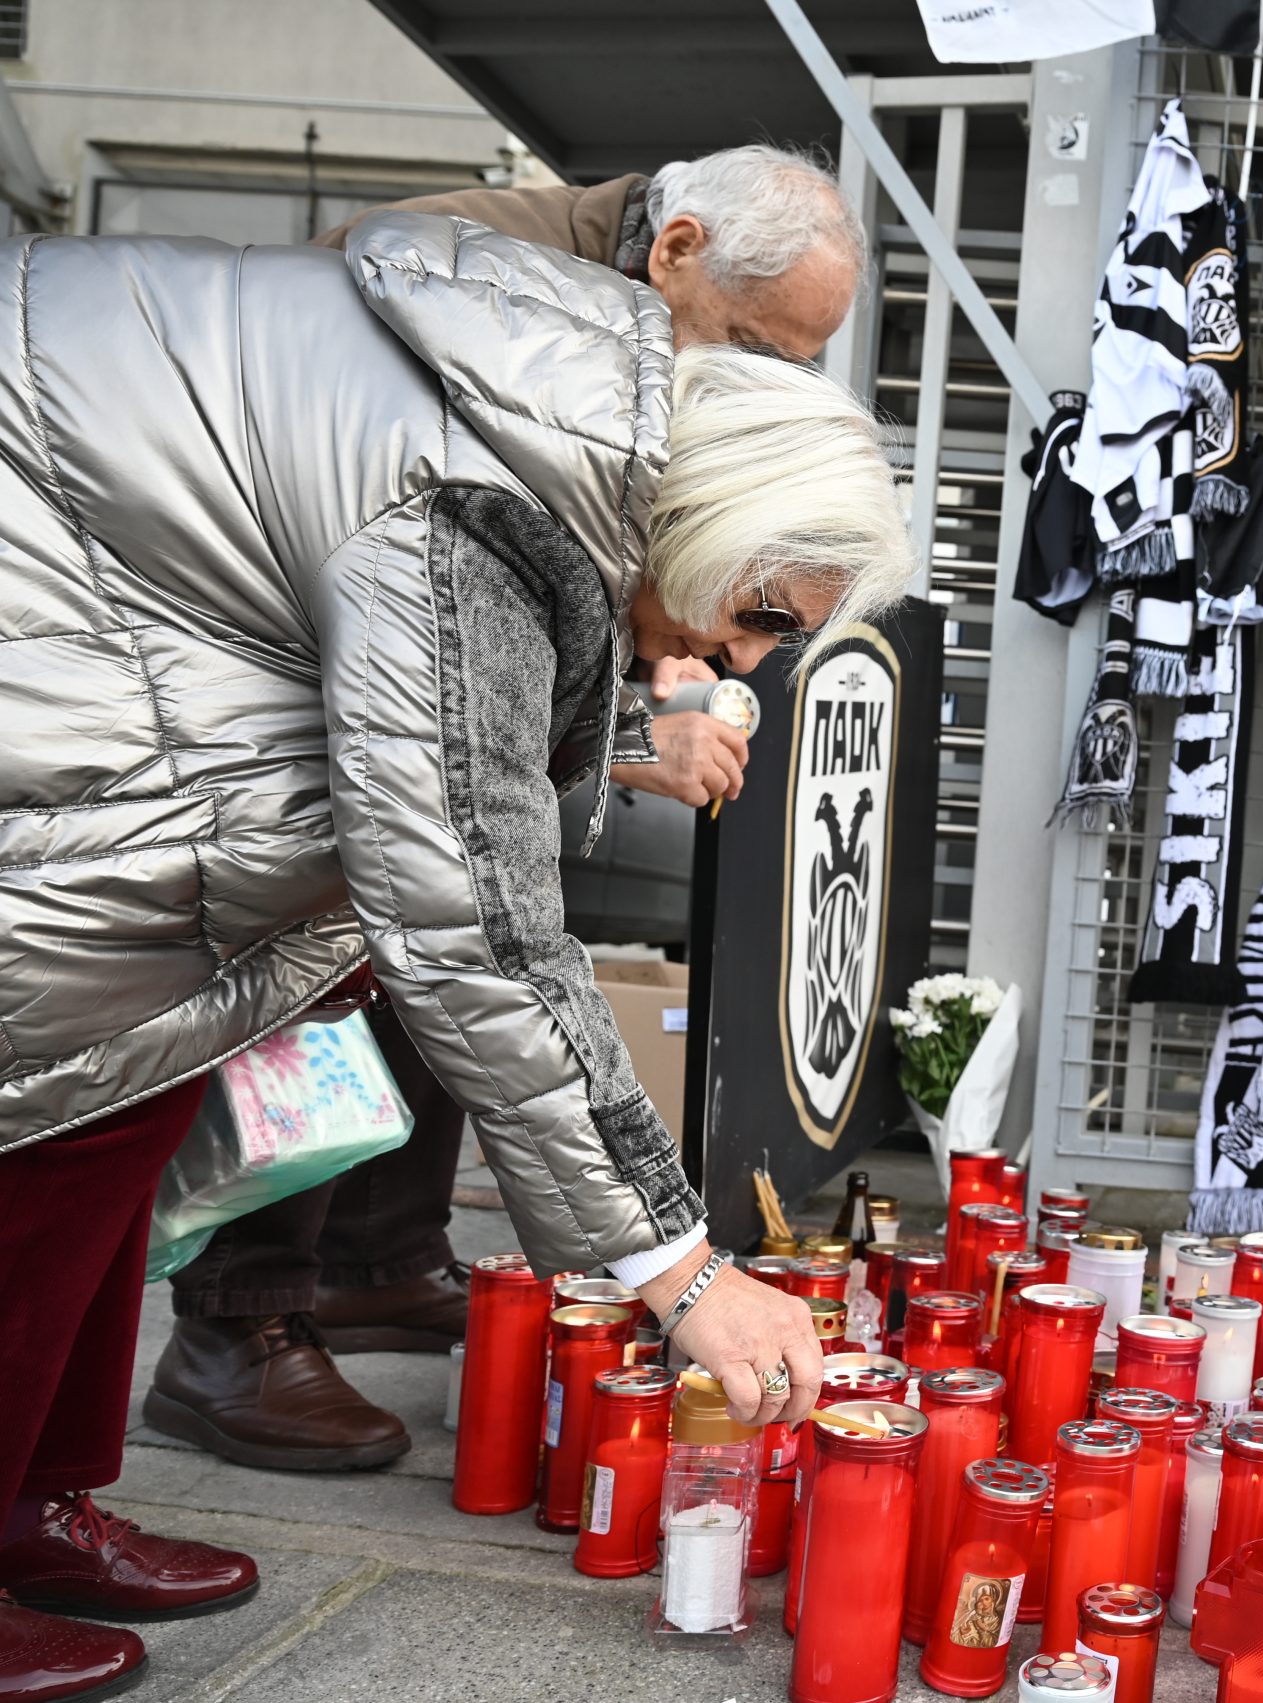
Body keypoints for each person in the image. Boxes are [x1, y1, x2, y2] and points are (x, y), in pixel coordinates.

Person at [0, 212, 910, 1699]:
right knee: (60, 1072)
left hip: (88, 584)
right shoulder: (494, 498)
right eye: (757, 617)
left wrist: (611, 722)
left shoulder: (566, 423)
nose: (744, 662)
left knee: (129, 1074)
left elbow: (458, 706)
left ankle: (34, 1501)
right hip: (47, 608)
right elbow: (474, 909)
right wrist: (680, 1270)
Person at [148, 143, 867, 1474]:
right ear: (677, 252)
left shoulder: (608, 337)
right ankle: (236, 1320)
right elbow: (447, 667)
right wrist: (678, 1266)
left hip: (306, 672)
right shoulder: (498, 313)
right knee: (405, 921)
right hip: (237, 688)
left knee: (453, 909)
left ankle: (374, 1259)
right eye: (758, 351)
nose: (763, 391)